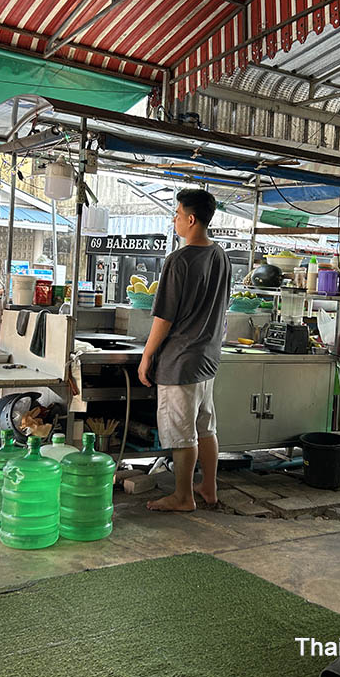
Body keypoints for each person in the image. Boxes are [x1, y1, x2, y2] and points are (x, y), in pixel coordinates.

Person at [139, 189, 232, 512]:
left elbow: (164, 318)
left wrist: (147, 355)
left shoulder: (179, 260)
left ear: (191, 219)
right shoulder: (220, 255)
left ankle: (182, 496)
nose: (175, 220)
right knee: (206, 426)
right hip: (207, 358)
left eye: (177, 215)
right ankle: (208, 486)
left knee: (182, 433)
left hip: (180, 360)